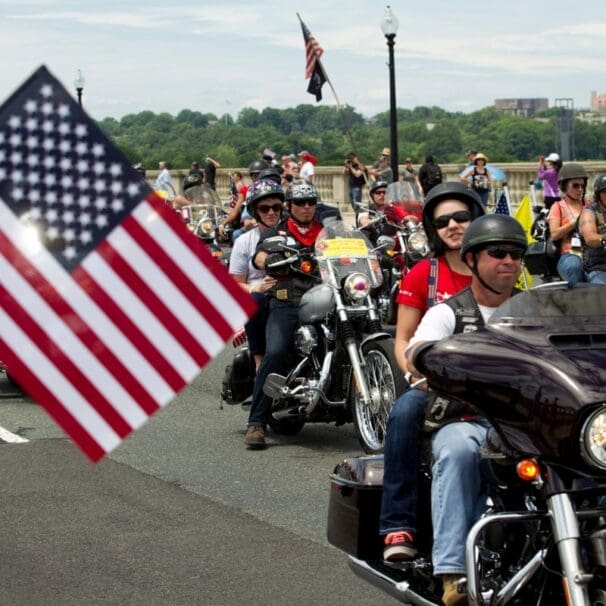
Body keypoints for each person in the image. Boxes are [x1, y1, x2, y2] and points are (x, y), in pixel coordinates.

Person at [405, 214, 528, 606]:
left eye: (517, 254)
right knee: (457, 452)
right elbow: (415, 352)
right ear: (472, 260)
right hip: (468, 419)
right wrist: (431, 358)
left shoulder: (535, 312)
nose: (509, 261)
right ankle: (453, 572)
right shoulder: (448, 313)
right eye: (498, 253)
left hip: (528, 424)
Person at [380, 182, 485, 562]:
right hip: (435, 381)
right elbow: (403, 339)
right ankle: (397, 525)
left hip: (493, 383)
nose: (454, 226)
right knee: (406, 411)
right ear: (432, 229)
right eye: (443, 222)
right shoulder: (423, 274)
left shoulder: (499, 268)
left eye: (462, 217)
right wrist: (416, 373)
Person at [244, 180, 324, 449]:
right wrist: (268, 260)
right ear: (290, 206)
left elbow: (350, 247)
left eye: (311, 201)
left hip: (326, 301)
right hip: (288, 302)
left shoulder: (326, 231)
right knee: (276, 351)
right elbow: (260, 256)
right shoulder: (278, 233)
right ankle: (257, 423)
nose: (306, 207)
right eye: (300, 202)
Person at [229, 179, 283, 370]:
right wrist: (255, 287)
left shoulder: (293, 236)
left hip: (290, 294)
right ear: (254, 211)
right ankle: (259, 364)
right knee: (257, 300)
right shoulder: (244, 242)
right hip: (261, 296)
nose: (271, 213)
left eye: (276, 207)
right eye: (264, 209)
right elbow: (234, 284)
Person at [547, 162, 589, 285]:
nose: (580, 189)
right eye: (575, 186)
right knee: (574, 268)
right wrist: (575, 222)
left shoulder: (590, 205)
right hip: (571, 254)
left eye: (582, 185)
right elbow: (554, 234)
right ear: (564, 186)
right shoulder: (557, 207)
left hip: (593, 253)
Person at [219, 159, 269, 239]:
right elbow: (235, 211)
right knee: (236, 234)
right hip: (251, 227)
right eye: (254, 176)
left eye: (260, 175)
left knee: (237, 234)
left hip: (268, 226)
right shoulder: (246, 191)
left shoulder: (274, 189)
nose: (257, 178)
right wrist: (223, 224)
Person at [578, 173, 606, 284]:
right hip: (599, 266)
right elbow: (590, 238)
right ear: (598, 194)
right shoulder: (589, 212)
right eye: (605, 192)